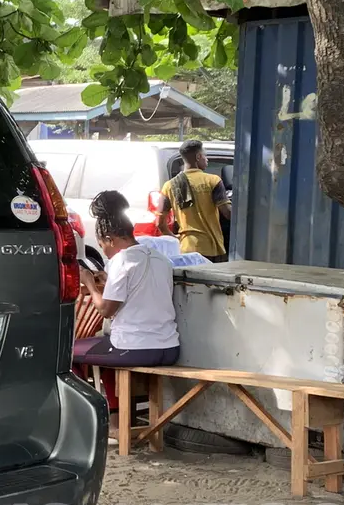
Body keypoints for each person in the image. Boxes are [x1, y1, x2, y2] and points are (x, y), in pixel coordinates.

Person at [71, 191, 181, 417]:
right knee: (104, 349)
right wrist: (107, 279)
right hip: (169, 347)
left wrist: (90, 284)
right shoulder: (160, 258)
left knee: (68, 354)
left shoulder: (121, 261)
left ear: (110, 239)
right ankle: (119, 416)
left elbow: (106, 310)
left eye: (102, 245)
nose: (104, 251)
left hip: (136, 348)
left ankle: (98, 416)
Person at [158, 138, 230, 261]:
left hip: (186, 250)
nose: (206, 160)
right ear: (198, 157)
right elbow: (228, 213)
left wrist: (176, 239)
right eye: (205, 156)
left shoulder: (169, 186)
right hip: (212, 250)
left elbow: (160, 224)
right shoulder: (213, 180)